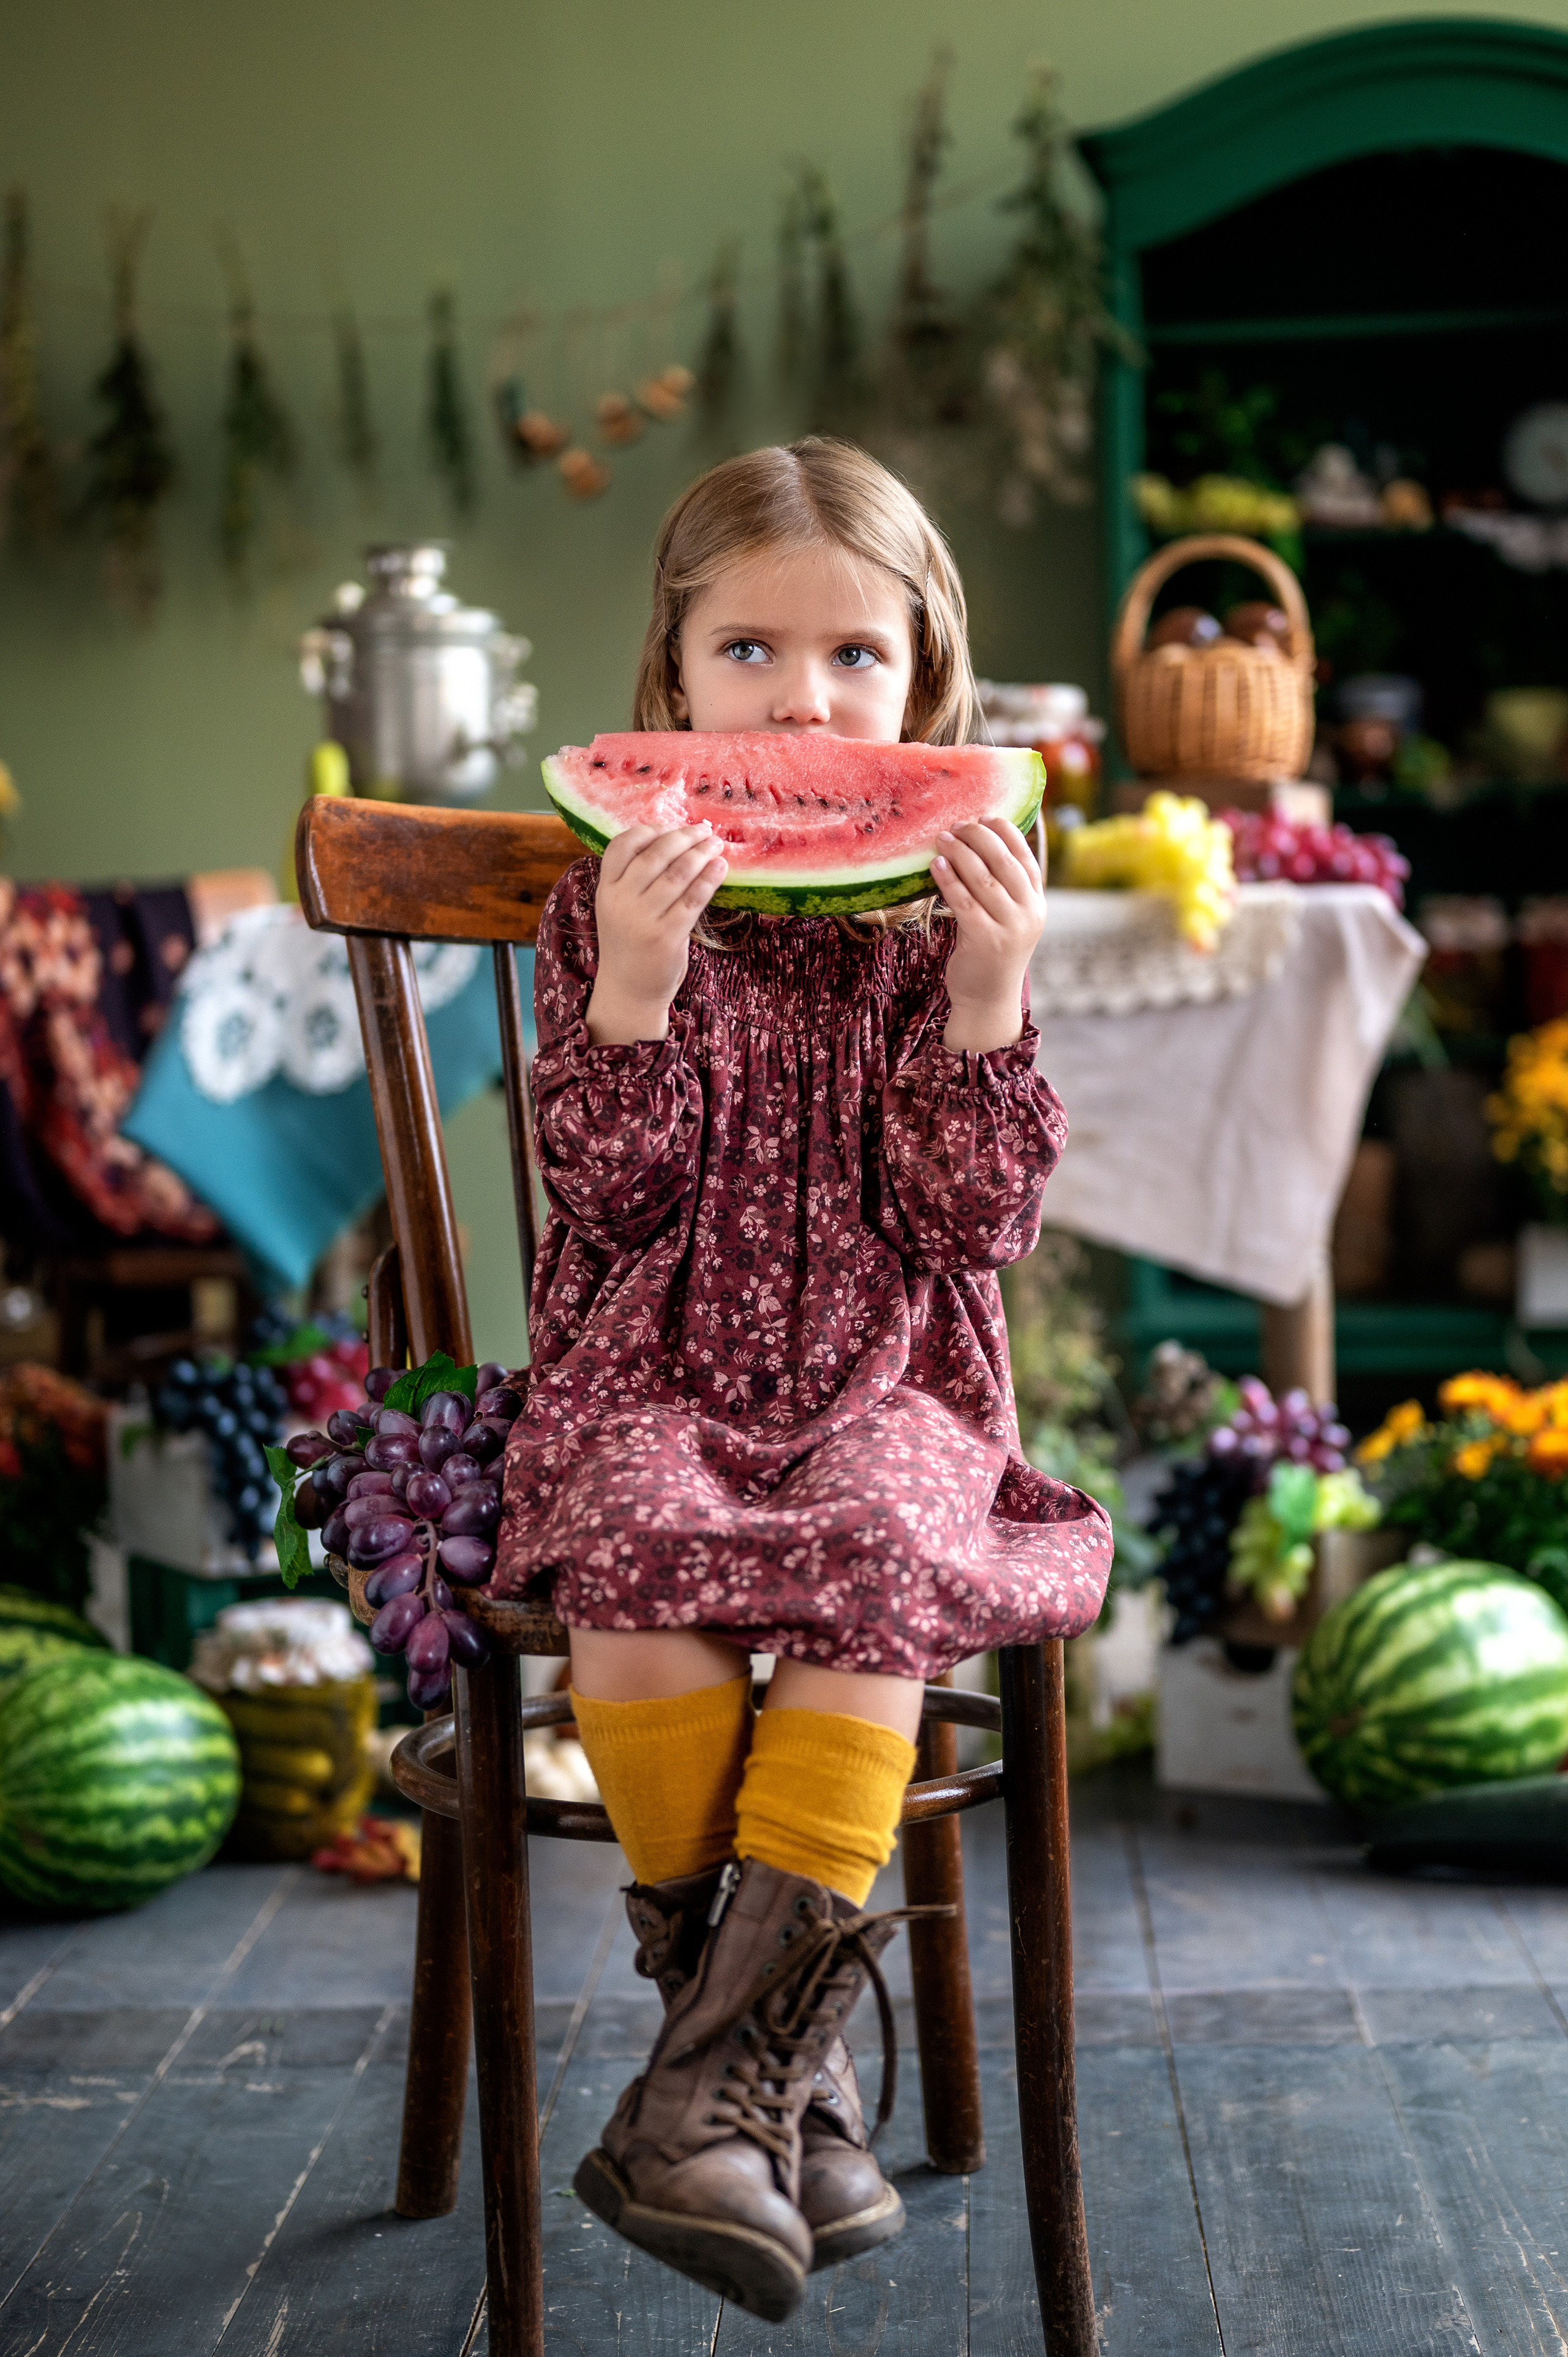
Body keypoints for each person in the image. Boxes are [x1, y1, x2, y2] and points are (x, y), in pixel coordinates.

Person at [494, 437, 1112, 2323]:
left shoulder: (952, 912)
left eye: (856, 660)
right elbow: (610, 1198)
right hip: (651, 1368)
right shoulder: (604, 906)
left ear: (928, 683)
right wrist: (630, 992)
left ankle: (697, 2097)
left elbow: (974, 1224)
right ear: (670, 675)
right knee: (630, 1529)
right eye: (750, 654)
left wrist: (991, 1003)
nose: (802, 704)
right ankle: (787, 2078)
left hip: (893, 1377)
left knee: (888, 1543)